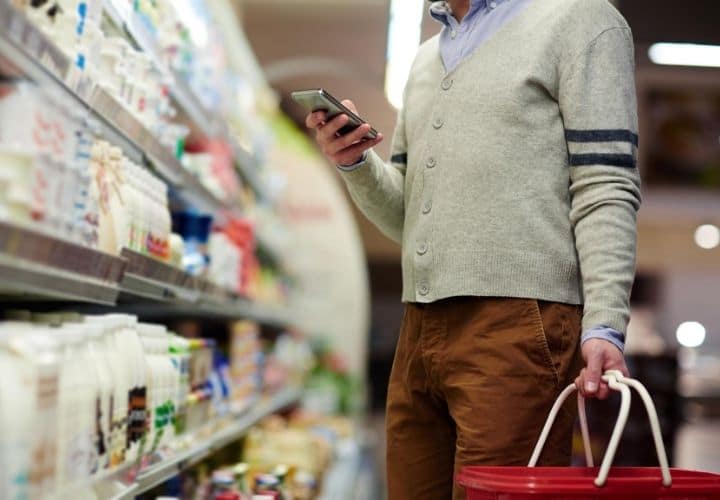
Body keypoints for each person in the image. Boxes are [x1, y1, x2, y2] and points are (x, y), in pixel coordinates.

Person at [306, 0, 640, 498]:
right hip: (418, 327)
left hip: (520, 326)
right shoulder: (424, 59)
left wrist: (606, 322)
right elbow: (409, 215)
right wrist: (356, 163)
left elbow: (605, 183)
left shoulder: (582, 20)